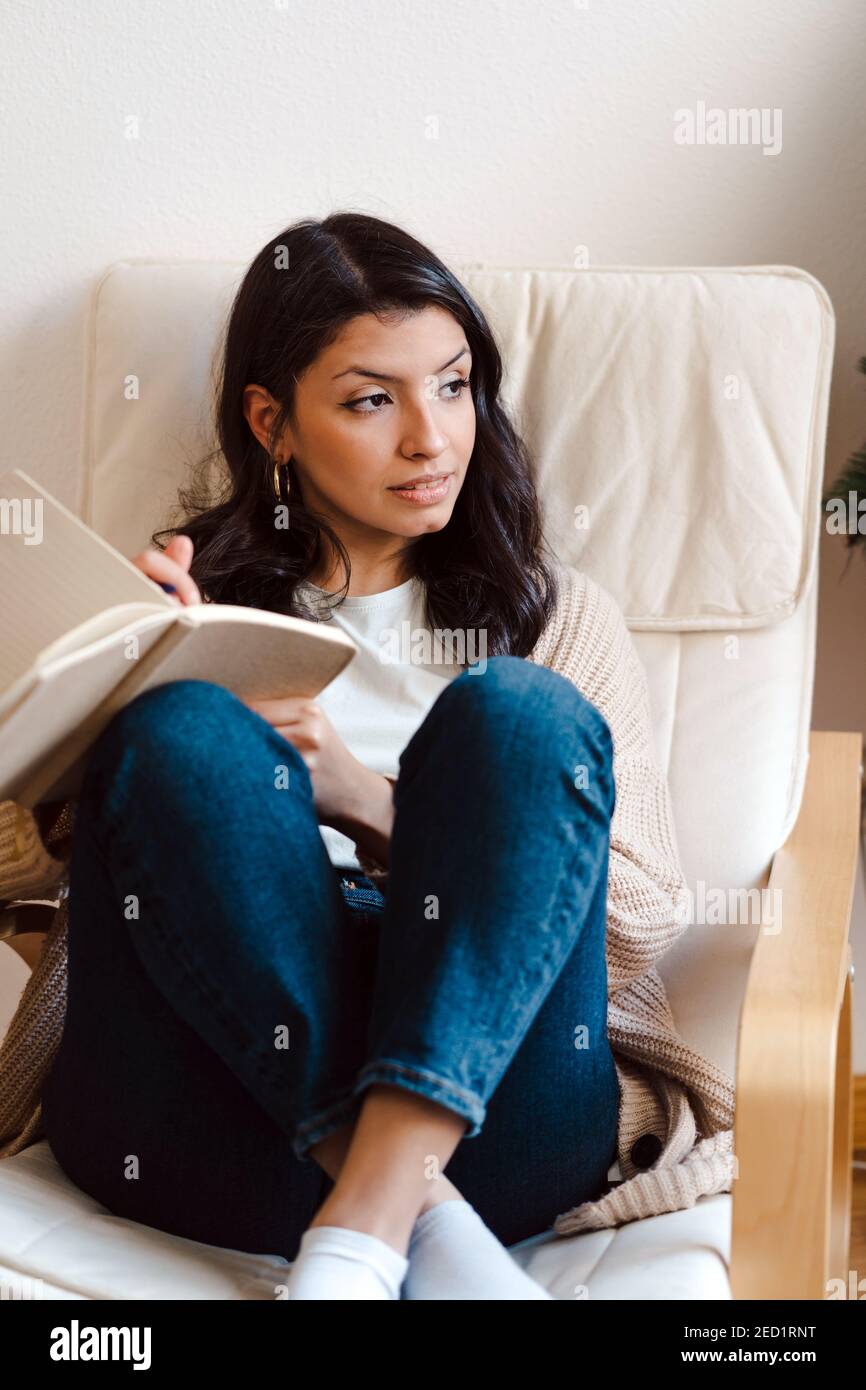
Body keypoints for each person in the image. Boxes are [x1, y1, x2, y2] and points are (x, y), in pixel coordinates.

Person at [22, 213, 734, 1302]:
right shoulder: (178, 598)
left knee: (518, 718)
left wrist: (363, 801)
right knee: (176, 733)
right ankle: (416, 1228)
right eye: (370, 400)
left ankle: (366, 1218)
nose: (431, 439)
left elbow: (631, 923)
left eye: (452, 387)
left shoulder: (554, 618)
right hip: (199, 1123)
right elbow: (16, 872)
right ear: (273, 422)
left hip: (499, 1122)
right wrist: (99, 698)